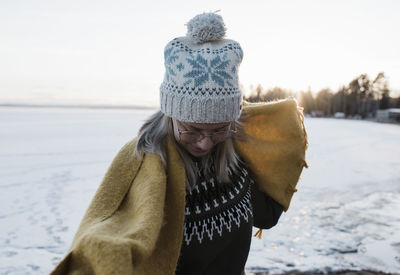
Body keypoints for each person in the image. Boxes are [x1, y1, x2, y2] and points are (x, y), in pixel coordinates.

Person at [51, 12, 308, 275]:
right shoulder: (143, 163)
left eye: (219, 129)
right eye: (192, 130)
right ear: (171, 116)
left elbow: (267, 216)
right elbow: (109, 231)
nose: (206, 143)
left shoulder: (233, 159)